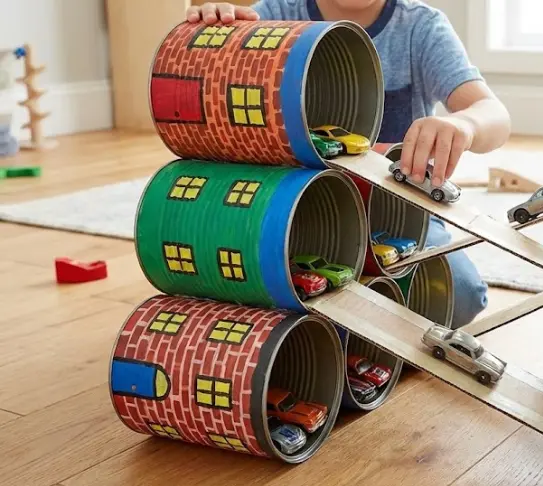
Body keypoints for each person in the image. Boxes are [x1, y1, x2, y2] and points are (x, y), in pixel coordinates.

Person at [186, 1, 512, 328]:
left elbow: (493, 113)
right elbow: (203, 97)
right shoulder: (272, 17)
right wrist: (214, 34)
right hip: (288, 211)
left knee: (462, 296)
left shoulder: (419, 27)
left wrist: (467, 124)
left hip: (394, 214)